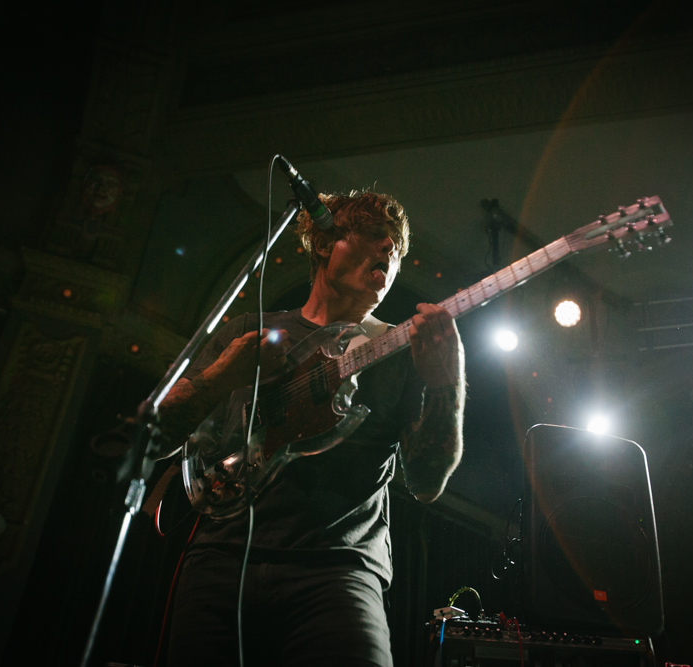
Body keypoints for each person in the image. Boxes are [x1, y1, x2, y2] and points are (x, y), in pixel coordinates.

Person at [157, 190, 465, 666]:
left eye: (397, 250)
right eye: (377, 238)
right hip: (222, 560)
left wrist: (446, 385)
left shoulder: (400, 353)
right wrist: (225, 375)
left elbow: (426, 483)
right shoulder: (247, 331)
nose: (390, 252)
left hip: (339, 573)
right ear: (326, 245)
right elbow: (159, 434)